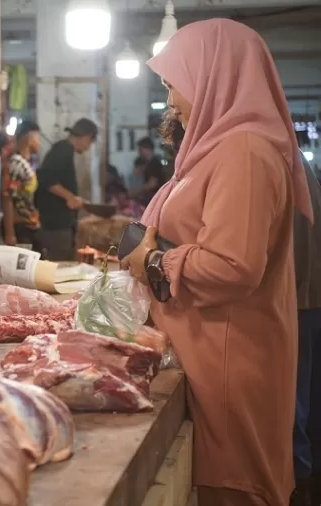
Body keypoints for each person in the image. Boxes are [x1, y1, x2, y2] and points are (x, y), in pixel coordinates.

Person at [121, 19, 313, 506]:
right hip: (204, 348)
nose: (170, 101)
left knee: (230, 491)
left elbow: (233, 266)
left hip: (229, 358)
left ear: (214, 78)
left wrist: (154, 260)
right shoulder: (215, 150)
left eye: (174, 84)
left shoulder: (244, 153)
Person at [292, 154, 321, 506]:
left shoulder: (262, 159)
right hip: (313, 299)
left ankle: (299, 484)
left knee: (294, 403)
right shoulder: (298, 163)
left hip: (296, 303)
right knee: (310, 398)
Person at [34, 118, 97, 261]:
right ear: (87, 136)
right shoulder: (64, 149)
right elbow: (47, 179)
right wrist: (70, 197)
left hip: (59, 224)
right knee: (59, 266)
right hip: (56, 226)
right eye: (90, 142)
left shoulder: (64, 149)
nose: (88, 147)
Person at [1, 120, 44, 254]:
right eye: (38, 138)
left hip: (30, 225)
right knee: (25, 268)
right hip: (20, 228)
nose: (39, 143)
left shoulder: (26, 163)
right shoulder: (16, 164)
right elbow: (7, 198)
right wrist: (10, 233)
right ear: (29, 138)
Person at [128, 136, 164, 206]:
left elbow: (152, 184)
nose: (139, 152)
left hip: (154, 197)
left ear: (148, 149)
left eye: (140, 150)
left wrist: (136, 192)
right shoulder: (145, 163)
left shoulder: (154, 163)